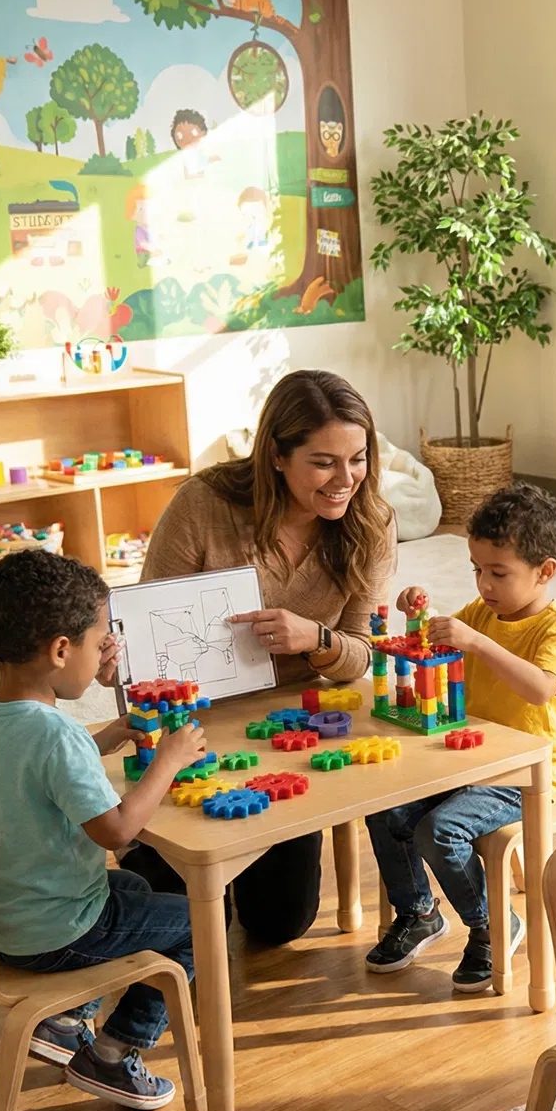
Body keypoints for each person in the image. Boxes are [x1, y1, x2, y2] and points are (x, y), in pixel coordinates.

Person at [117, 370, 395, 945]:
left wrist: (315, 639)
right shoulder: (203, 504)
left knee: (279, 925)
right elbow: (146, 630)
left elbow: (361, 654)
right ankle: (144, 853)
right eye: (323, 463)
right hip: (197, 721)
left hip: (290, 726)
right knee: (195, 924)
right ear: (276, 455)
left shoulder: (372, 523)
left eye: (358, 459)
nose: (345, 480)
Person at [0, 550, 204, 1110]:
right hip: (55, 930)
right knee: (199, 923)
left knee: (135, 887)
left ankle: (66, 1021)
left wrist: (107, 737)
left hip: (1, 917)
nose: (102, 657)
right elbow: (116, 832)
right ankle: (114, 1053)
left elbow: (34, 771)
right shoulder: (56, 736)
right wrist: (167, 763)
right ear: (61, 650)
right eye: (98, 645)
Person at [364, 483, 556, 991]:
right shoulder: (482, 613)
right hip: (466, 762)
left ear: (545, 571)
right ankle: (419, 912)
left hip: (521, 777)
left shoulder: (555, 629)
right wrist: (417, 613)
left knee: (438, 830)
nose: (484, 584)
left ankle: (492, 924)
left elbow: (540, 688)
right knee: (385, 810)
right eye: (476, 570)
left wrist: (478, 643)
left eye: (498, 573)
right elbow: (432, 641)